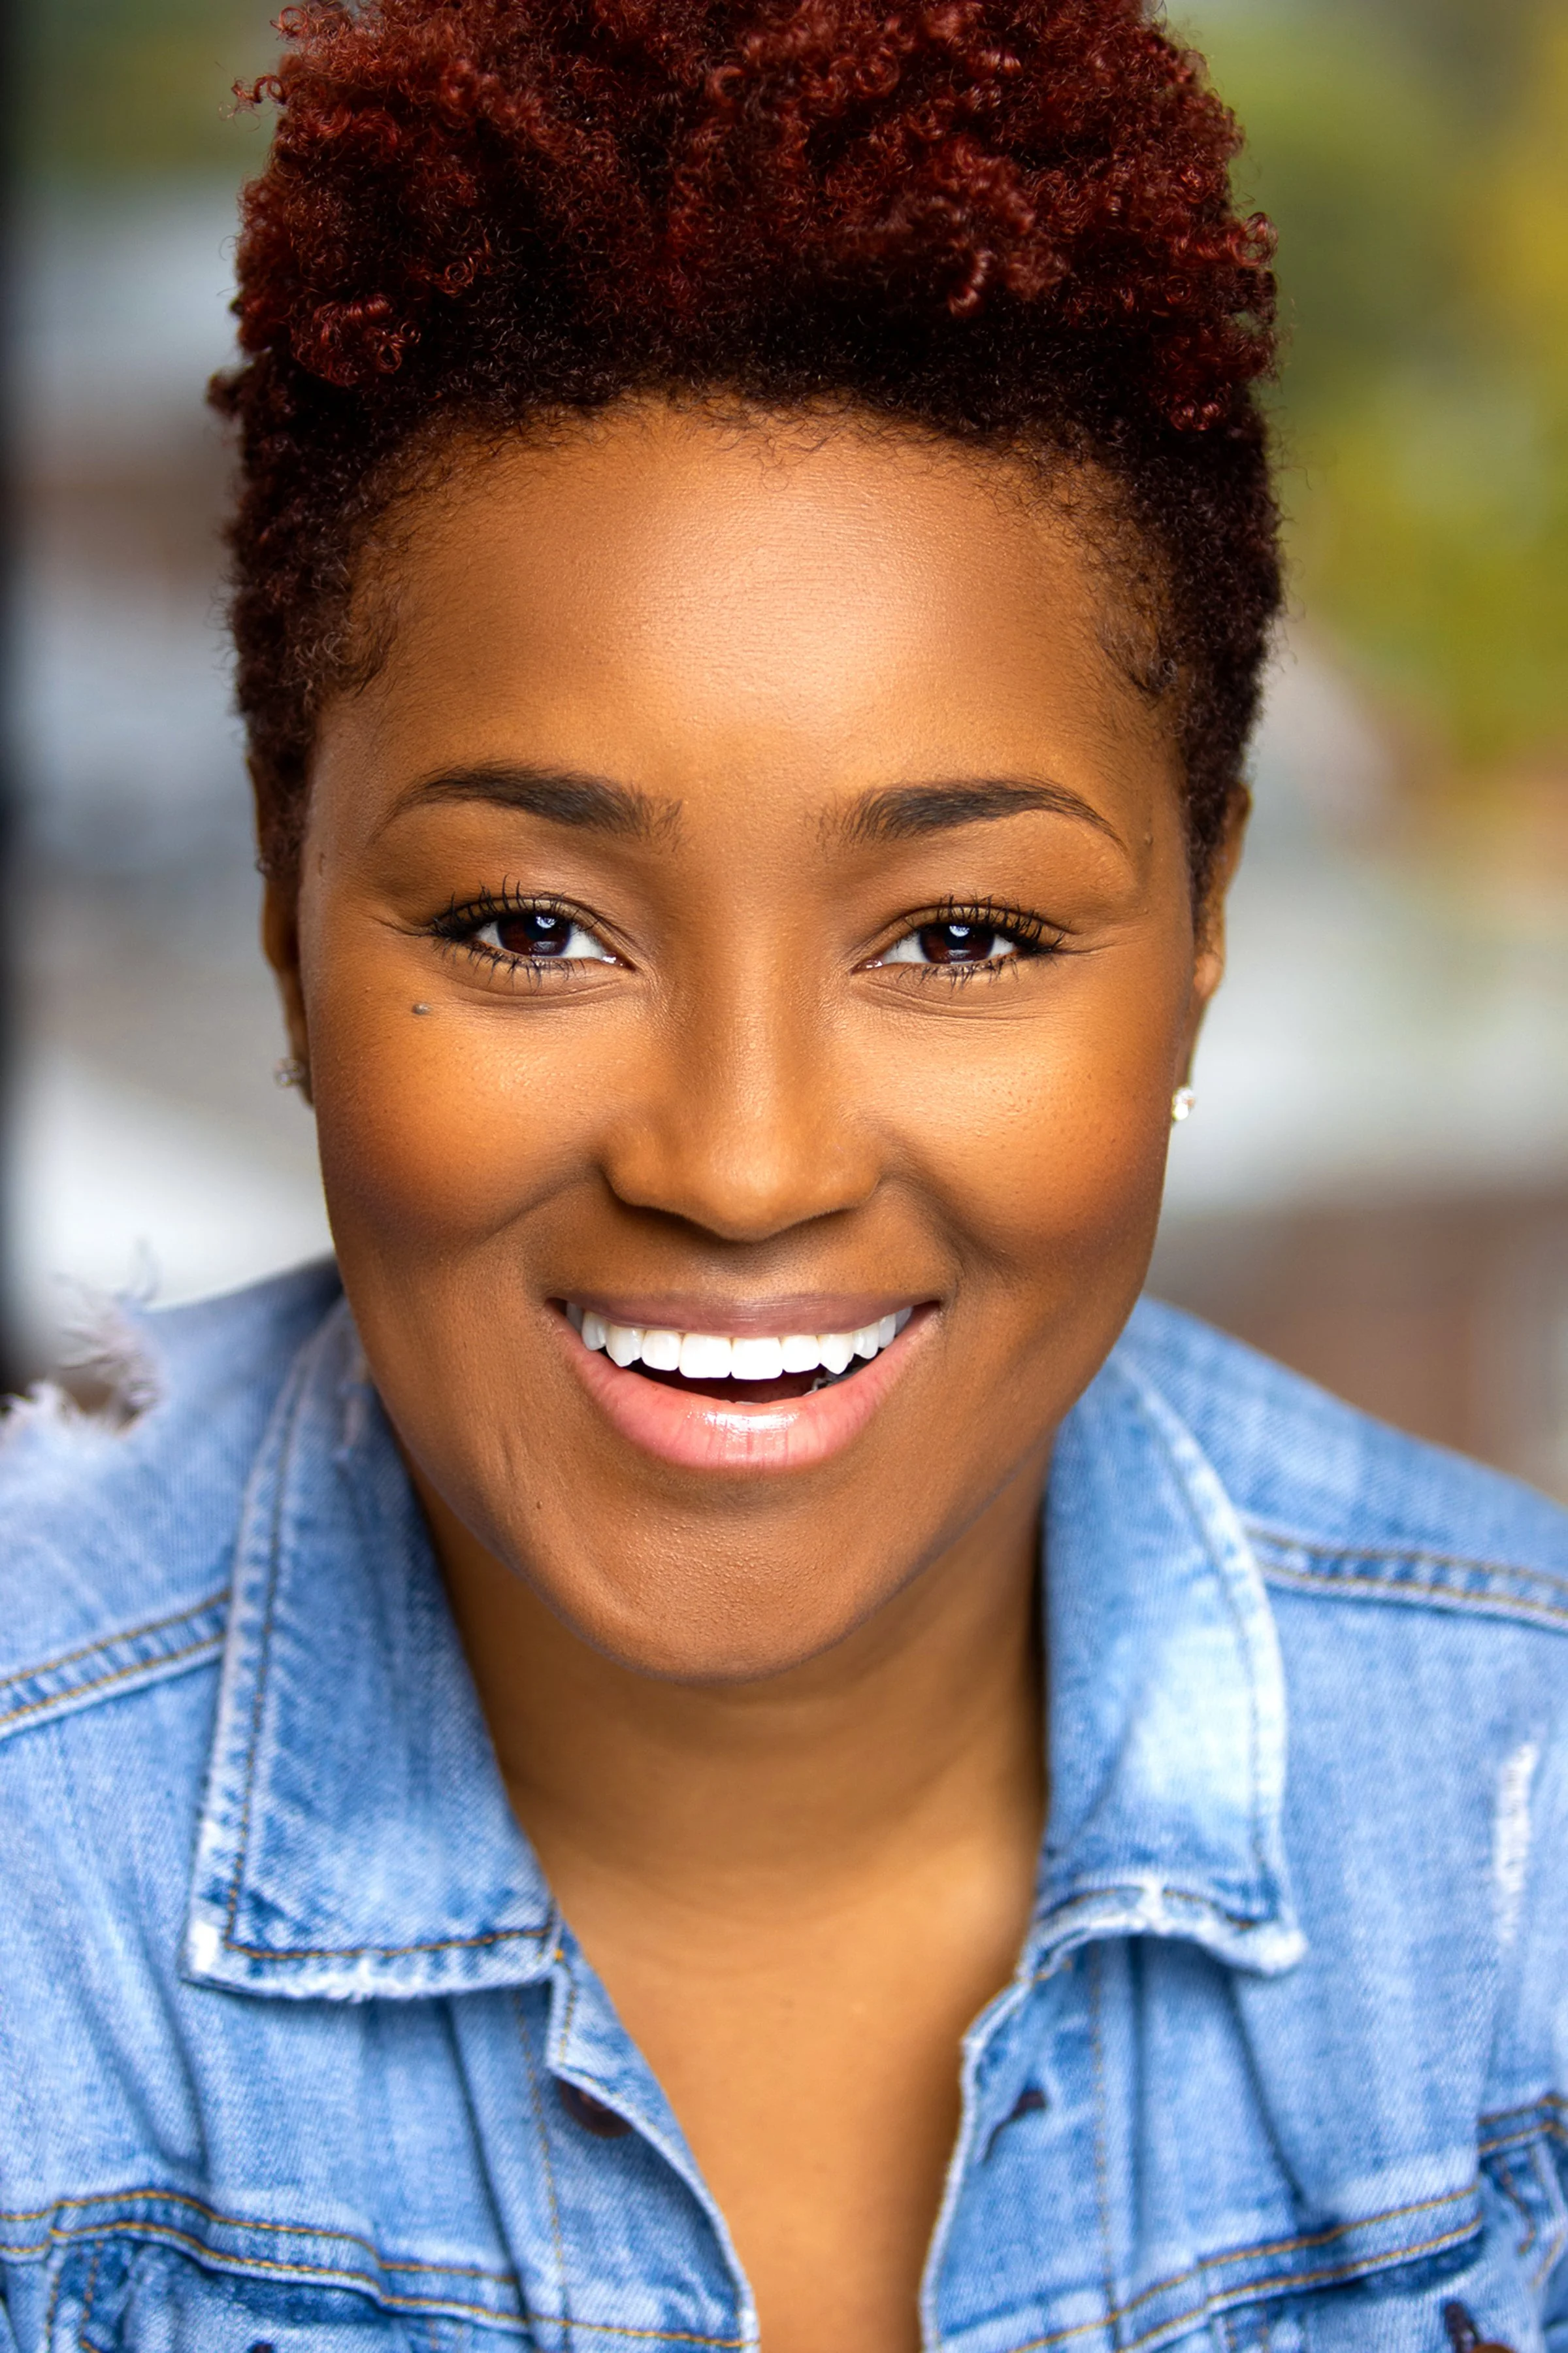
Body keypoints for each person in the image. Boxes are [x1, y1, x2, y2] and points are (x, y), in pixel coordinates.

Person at [1, 0, 1563, 2346]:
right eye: (533, 926)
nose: (741, 1163)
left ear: (1211, 922)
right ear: (278, 894)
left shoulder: (1529, 1839)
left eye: (961, 934)